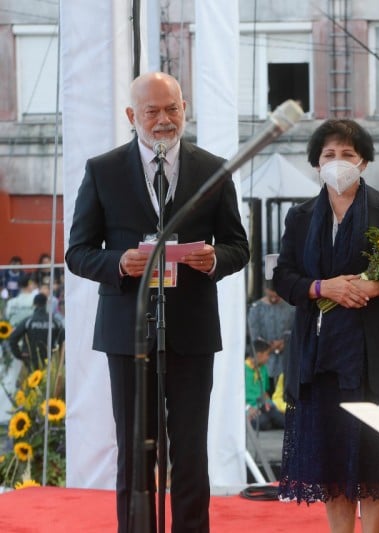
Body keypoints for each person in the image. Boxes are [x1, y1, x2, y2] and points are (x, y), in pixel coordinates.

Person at [65, 71, 250, 533]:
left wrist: (212, 259)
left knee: (189, 452)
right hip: (128, 332)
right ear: (133, 116)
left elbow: (238, 246)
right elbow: (77, 252)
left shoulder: (213, 169)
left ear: (185, 108)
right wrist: (119, 262)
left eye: (172, 109)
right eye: (152, 111)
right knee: (135, 452)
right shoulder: (102, 170)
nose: (164, 120)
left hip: (191, 330)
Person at [272, 118, 379, 533]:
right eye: (329, 156)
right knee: (332, 456)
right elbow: (284, 277)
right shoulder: (300, 217)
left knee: (377, 457)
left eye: (347, 155)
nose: (338, 163)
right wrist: (325, 287)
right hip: (322, 357)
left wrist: (369, 287)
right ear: (316, 165)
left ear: (364, 162)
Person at [247, 280, 294, 389]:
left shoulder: (291, 308)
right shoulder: (256, 309)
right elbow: (254, 334)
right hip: (263, 359)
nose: (274, 299)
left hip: (285, 359)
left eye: (277, 296)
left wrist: (284, 342)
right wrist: (269, 346)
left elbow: (295, 329)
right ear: (266, 290)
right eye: (271, 296)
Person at [7, 293, 64, 370]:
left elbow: (12, 338)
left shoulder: (28, 321)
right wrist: (60, 358)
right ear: (46, 303)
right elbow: (63, 341)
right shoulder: (55, 322)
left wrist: (20, 355)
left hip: (31, 361)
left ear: (34, 304)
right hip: (50, 362)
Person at [246, 340, 285, 431]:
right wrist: (248, 408)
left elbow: (265, 391)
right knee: (262, 423)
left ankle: (270, 420)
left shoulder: (263, 368)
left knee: (283, 420)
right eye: (267, 354)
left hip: (263, 405)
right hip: (249, 407)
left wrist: (270, 404)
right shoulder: (243, 369)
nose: (268, 358)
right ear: (259, 355)